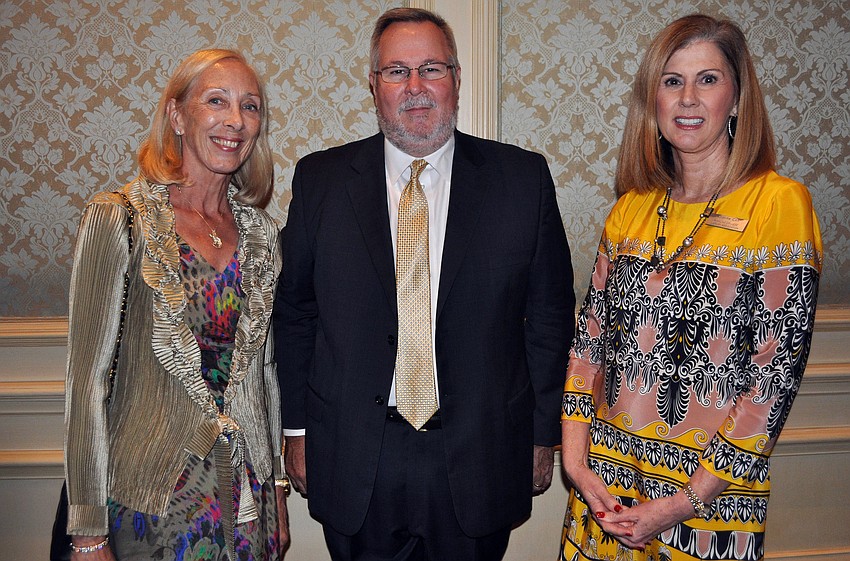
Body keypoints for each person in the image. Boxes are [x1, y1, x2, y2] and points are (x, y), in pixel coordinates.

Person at [274, 7, 575, 561]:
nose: (415, 87)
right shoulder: (320, 180)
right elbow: (295, 313)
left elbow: (551, 319)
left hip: (481, 452)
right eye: (396, 71)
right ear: (373, 85)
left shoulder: (522, 180)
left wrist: (541, 436)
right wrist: (296, 432)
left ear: (457, 79)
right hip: (355, 452)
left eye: (432, 68)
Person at [559, 14, 822, 561]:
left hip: (707, 506)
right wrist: (576, 463)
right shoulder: (630, 209)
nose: (688, 99)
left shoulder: (778, 205)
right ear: (651, 101)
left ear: (738, 96)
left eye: (708, 79)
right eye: (672, 80)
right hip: (604, 492)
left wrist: (685, 500)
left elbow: (772, 380)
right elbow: (589, 345)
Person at [63, 49, 287, 560]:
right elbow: (87, 383)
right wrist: (87, 532)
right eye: (216, 101)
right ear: (177, 116)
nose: (235, 120)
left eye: (250, 107)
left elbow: (265, 373)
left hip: (246, 501)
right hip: (153, 502)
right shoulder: (119, 219)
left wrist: (274, 486)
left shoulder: (262, 235)